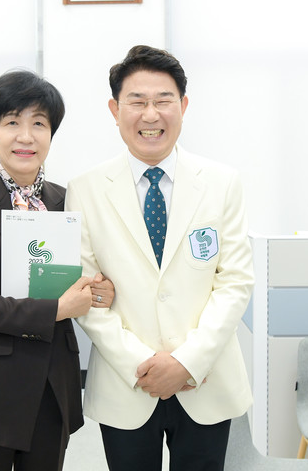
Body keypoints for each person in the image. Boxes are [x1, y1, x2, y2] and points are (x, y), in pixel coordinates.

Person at [65, 45, 255, 471]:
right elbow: (85, 295)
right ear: (115, 110)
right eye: (137, 101)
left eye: (163, 100)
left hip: (205, 380)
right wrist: (141, 364)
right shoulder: (85, 190)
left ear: (183, 106)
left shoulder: (222, 183)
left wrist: (187, 361)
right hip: (126, 383)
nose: (150, 115)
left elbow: (235, 283)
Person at [0, 69, 114, 471]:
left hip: (52, 388)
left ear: (51, 134)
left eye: (39, 124)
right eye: (12, 123)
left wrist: (100, 290)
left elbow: (84, 276)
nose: (26, 136)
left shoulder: (67, 201)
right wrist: (56, 310)